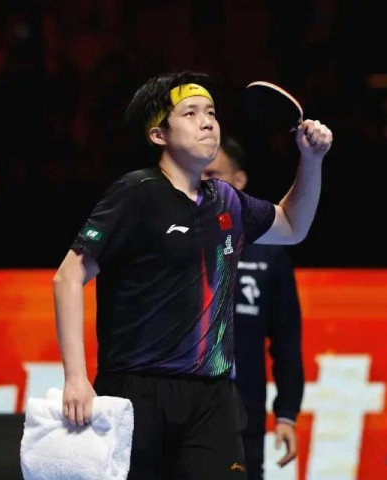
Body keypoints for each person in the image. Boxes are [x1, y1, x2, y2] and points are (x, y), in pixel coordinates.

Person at [52, 70, 332, 479]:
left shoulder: (228, 201)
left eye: (211, 113)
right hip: (137, 390)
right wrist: (76, 378)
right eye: (191, 113)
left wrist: (311, 161)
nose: (207, 123)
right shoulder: (136, 193)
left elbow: (292, 226)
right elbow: (67, 277)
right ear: (158, 135)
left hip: (213, 397)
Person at [202, 136, 305, 480]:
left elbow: (286, 339)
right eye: (197, 174)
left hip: (242, 413)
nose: (203, 182)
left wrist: (286, 413)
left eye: (213, 174)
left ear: (239, 180)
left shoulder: (268, 249)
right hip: (181, 410)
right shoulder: (175, 240)